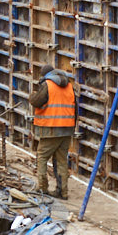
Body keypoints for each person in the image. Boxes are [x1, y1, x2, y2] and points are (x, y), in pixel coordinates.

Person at [30, 69, 77, 199]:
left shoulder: (47, 85)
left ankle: (42, 188)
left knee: (42, 157)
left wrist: (32, 95)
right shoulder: (69, 86)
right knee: (61, 161)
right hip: (67, 129)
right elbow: (75, 108)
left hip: (51, 128)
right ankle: (63, 192)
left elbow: (36, 101)